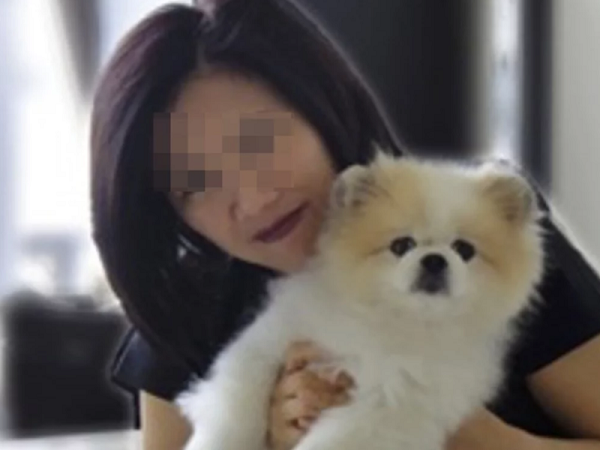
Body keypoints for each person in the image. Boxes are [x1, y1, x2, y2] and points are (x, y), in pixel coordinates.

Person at [90, 0, 600, 449]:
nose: (253, 200)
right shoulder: (182, 305)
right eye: (195, 184)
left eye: (259, 142)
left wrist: (493, 445)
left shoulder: (482, 220)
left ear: (321, 103)